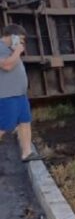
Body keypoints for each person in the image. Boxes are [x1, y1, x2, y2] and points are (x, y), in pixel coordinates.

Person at [0, 24, 41, 161]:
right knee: (5, 126)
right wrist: (17, 51)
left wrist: (15, 51)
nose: (22, 43)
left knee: (25, 121)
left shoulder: (9, 49)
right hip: (7, 94)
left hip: (19, 94)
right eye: (21, 39)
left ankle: (27, 153)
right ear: (13, 36)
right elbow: (6, 66)